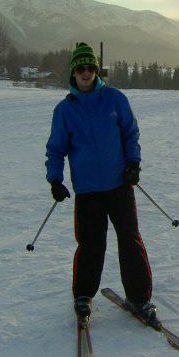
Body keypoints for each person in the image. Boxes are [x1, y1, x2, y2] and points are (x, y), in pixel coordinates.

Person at [45, 43, 156, 324]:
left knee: (130, 241)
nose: (86, 73)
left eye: (91, 68)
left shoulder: (115, 99)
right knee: (91, 244)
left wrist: (133, 163)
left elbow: (131, 133)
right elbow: (56, 148)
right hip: (88, 191)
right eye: (81, 68)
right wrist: (55, 179)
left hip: (119, 186)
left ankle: (140, 298)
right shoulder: (64, 110)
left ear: (97, 70)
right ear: (73, 72)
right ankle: (83, 295)